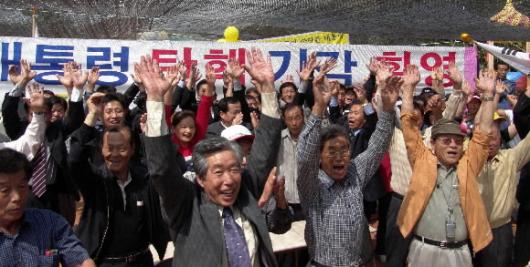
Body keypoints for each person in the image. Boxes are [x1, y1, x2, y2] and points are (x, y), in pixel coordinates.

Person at [140, 49, 280, 266]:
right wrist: (157, 100)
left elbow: (266, 149)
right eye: (218, 172)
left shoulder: (246, 190)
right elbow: (162, 170)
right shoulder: (186, 204)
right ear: (200, 179)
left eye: (234, 169)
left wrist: (269, 89)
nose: (229, 180)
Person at [297, 67, 400, 266]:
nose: (339, 157)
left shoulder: (355, 172)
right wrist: (319, 106)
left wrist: (387, 110)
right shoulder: (311, 184)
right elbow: (304, 156)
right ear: (319, 156)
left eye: (344, 150)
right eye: (332, 151)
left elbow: (377, 146)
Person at [397, 67, 497, 266]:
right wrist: (408, 91)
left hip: (458, 253)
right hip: (423, 250)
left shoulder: (468, 165)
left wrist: (487, 96)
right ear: (432, 145)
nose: (453, 145)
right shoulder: (422, 161)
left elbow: (483, 134)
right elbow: (409, 128)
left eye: (458, 142)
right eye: (446, 141)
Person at [68, 93, 169, 266]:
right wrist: (92, 114)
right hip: (104, 262)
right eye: (110, 148)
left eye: (121, 148)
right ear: (101, 149)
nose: (114, 154)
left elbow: (161, 163)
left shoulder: (144, 180)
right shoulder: (95, 180)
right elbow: (75, 158)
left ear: (132, 149)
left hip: (141, 260)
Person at [0, 148, 96, 267]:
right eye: (5, 190)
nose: (17, 197)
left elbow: (76, 256)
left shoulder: (50, 223)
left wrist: (85, 263)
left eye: (21, 187)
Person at [276, 103, 305, 221]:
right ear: (284, 120)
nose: (294, 123)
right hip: (285, 199)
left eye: (297, 117)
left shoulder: (312, 138)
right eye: (290, 119)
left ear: (303, 117)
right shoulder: (278, 139)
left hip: (308, 201)